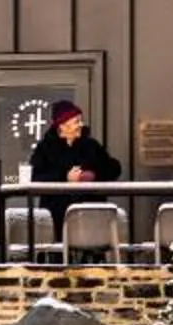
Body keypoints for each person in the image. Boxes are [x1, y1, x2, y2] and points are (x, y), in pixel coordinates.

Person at [28, 97, 123, 243]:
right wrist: (65, 178)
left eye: (80, 120)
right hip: (57, 216)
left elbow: (114, 168)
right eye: (76, 121)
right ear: (62, 126)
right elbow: (36, 179)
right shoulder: (45, 148)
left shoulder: (91, 145)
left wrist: (94, 175)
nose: (81, 124)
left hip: (91, 215)